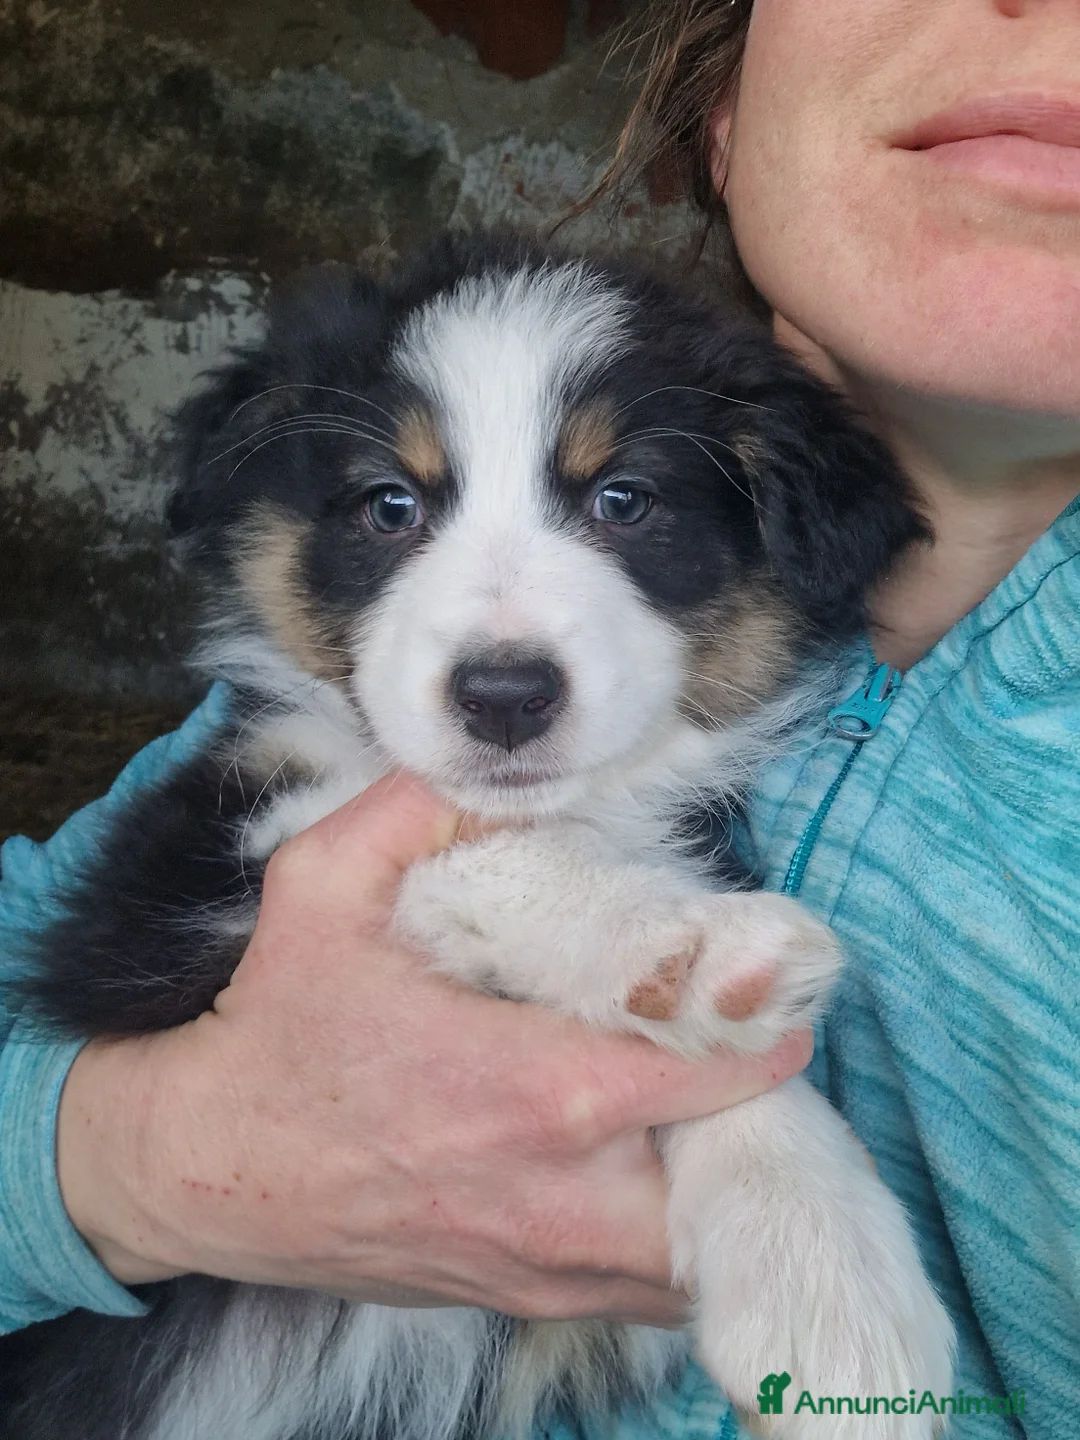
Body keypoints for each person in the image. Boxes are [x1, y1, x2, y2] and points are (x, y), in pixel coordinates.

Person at [1, 0, 1078, 1435]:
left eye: (621, 501)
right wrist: (124, 1158)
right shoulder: (303, 731)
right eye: (392, 509)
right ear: (726, 119)